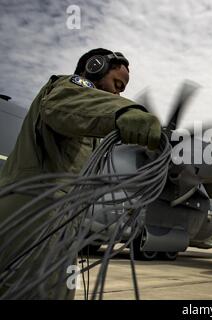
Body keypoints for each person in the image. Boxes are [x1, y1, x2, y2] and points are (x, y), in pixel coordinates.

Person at [0, 48, 161, 299]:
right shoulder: (69, 87)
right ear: (94, 67)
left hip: (60, 224)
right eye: (117, 84)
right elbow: (72, 102)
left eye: (122, 91)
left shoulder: (88, 128)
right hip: (36, 217)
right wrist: (124, 110)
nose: (118, 93)